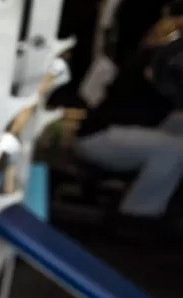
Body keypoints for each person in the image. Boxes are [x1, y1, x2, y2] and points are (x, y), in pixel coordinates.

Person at [74, 1, 183, 221]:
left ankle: (171, 205)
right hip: (100, 136)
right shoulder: (162, 58)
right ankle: (137, 215)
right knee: (175, 149)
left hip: (127, 128)